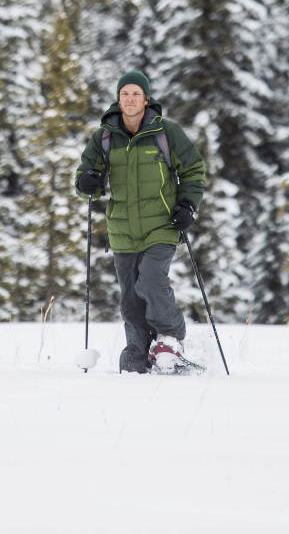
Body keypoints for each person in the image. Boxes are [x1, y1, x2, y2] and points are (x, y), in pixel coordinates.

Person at [75, 71, 207, 373]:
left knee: (150, 279)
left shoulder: (166, 132)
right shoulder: (105, 136)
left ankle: (169, 342)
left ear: (146, 99)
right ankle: (138, 351)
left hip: (161, 224)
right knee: (131, 297)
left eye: (136, 93)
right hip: (121, 228)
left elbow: (193, 169)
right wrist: (86, 181)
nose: (130, 99)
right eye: (125, 94)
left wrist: (188, 203)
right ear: (118, 99)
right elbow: (84, 173)